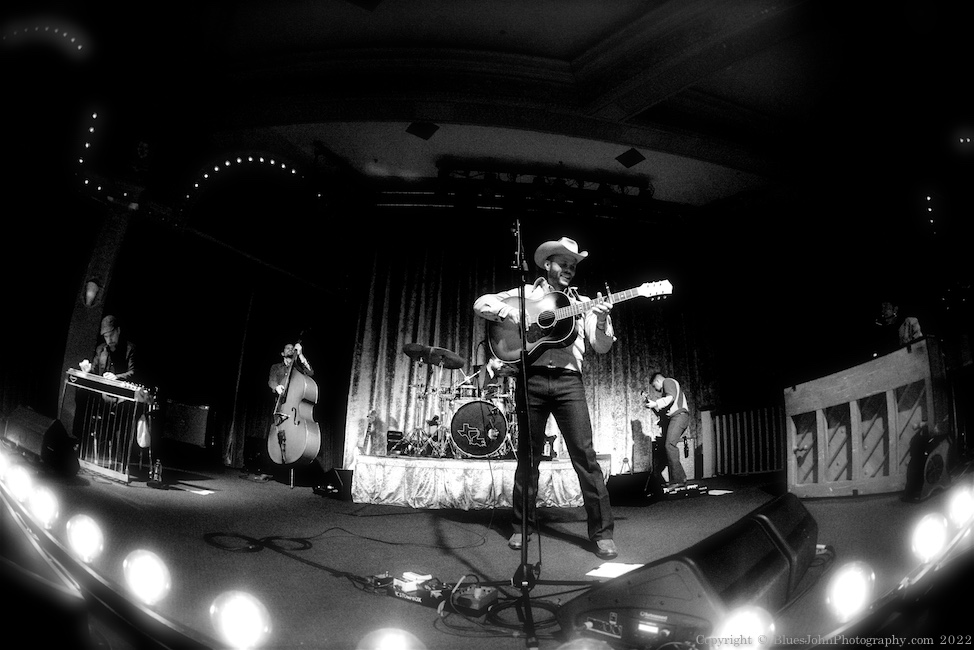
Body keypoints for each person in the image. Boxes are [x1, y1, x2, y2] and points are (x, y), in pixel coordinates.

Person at [473, 236, 618, 559]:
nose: (568, 269)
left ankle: (603, 534)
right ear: (548, 264)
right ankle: (522, 527)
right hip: (532, 380)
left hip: (569, 383)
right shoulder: (526, 295)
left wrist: (604, 319)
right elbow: (481, 303)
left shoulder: (585, 303)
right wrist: (513, 316)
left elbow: (601, 346)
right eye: (563, 263)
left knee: (585, 456)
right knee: (528, 458)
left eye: (573, 265)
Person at [644, 371, 690, 489]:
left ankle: (678, 480)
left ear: (658, 381)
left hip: (679, 416)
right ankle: (677, 478)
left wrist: (656, 403)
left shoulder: (667, 382)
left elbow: (670, 398)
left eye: (655, 386)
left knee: (669, 445)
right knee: (667, 447)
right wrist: (653, 406)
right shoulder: (666, 389)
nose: (657, 389)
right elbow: (664, 410)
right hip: (677, 417)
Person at [79, 314, 137, 381]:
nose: (109, 340)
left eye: (111, 335)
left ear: (118, 330)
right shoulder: (100, 349)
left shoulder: (130, 349)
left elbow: (133, 372)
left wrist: (116, 377)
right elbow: (94, 371)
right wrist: (87, 370)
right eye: (106, 336)